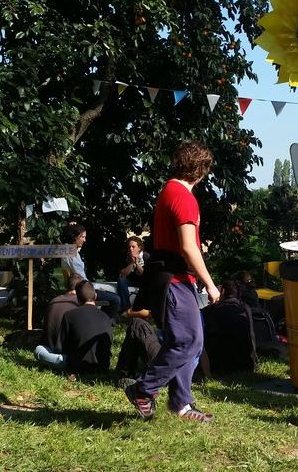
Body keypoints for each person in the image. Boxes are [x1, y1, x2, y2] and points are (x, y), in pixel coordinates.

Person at [125, 141, 220, 423]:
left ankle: (181, 404)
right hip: (174, 278)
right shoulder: (183, 196)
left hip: (173, 276)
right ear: (201, 170)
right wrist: (211, 283)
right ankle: (143, 389)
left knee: (192, 342)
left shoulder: (170, 190)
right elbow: (189, 248)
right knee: (187, 340)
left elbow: (183, 245)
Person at [59, 223, 121, 319]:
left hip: (78, 287)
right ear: (75, 237)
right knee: (115, 299)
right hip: (82, 290)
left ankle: (100, 320)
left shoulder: (67, 250)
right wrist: (93, 290)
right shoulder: (72, 254)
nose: (85, 240)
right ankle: (106, 322)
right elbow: (82, 279)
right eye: (82, 237)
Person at [200, 278, 256, 376]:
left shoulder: (211, 310)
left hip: (219, 365)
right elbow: (251, 335)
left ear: (223, 291)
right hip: (245, 363)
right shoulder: (245, 308)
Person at [58, 281, 113, 373]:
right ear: (95, 296)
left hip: (77, 366)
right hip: (102, 366)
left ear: (77, 299)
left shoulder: (69, 315)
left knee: (40, 351)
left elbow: (61, 347)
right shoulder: (106, 317)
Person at [34, 274, 83, 368]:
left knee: (39, 350)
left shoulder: (54, 301)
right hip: (71, 351)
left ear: (66, 286)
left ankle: (57, 361)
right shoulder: (79, 303)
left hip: (51, 348)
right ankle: (68, 362)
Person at [116, 236, 148, 312]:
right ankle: (126, 308)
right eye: (129, 247)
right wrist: (131, 264)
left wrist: (137, 264)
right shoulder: (126, 256)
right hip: (131, 280)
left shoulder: (146, 256)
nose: (130, 249)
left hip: (143, 280)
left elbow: (147, 275)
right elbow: (122, 274)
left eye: (133, 247)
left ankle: (145, 308)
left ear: (139, 248)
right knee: (121, 280)